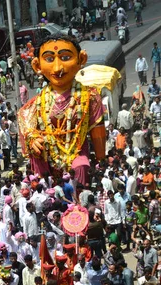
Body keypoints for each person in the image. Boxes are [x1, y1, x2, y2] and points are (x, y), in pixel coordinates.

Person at [18, 33, 106, 182]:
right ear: (37, 66)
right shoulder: (36, 104)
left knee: (80, 166)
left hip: (76, 153)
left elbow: (98, 134)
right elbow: (25, 121)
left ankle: (78, 199)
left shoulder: (89, 96)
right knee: (39, 158)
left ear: (81, 59)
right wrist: (33, 140)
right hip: (48, 158)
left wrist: (101, 160)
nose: (58, 68)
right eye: (49, 59)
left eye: (65, 58)